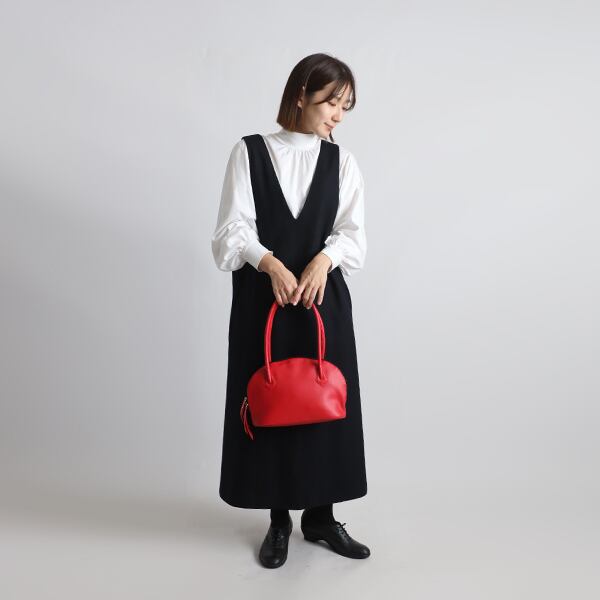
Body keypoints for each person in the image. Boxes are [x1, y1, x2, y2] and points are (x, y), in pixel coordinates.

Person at [211, 53, 371, 568]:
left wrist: (324, 260)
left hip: (323, 301)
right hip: (265, 301)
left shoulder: (342, 161)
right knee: (271, 404)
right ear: (301, 95)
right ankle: (279, 519)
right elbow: (231, 230)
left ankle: (321, 518)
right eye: (331, 102)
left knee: (326, 402)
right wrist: (270, 264)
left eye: (346, 106)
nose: (338, 115)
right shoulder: (250, 152)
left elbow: (352, 233)